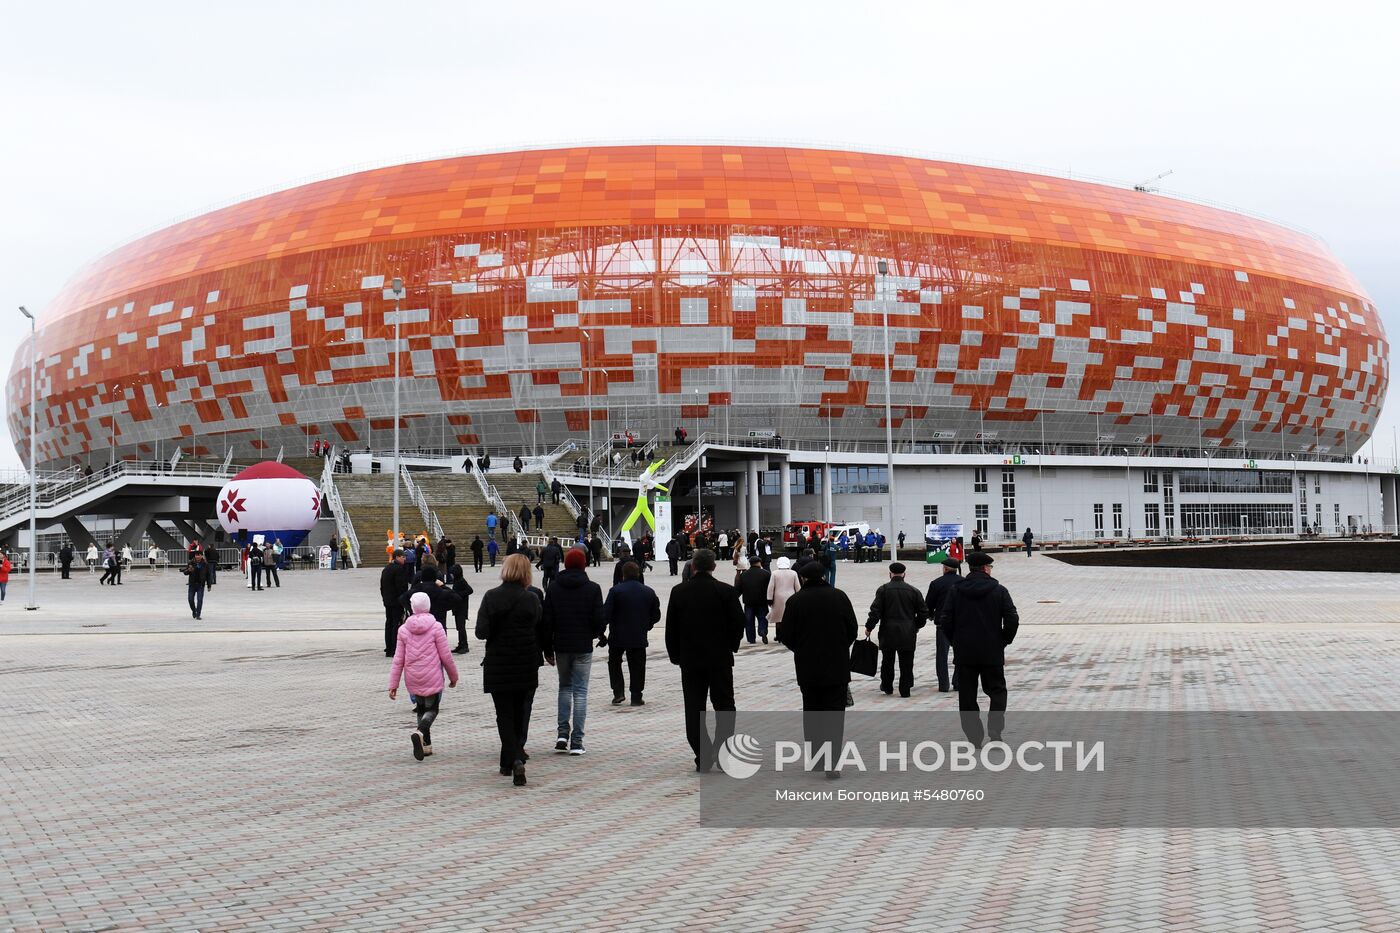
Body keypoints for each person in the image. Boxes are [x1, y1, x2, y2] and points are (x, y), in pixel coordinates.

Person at [665, 549, 744, 772]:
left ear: (692, 567)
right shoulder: (725, 591)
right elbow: (738, 623)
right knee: (725, 706)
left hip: (690, 660)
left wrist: (676, 655)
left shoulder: (679, 592)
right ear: (714, 567)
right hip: (720, 659)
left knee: (694, 707)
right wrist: (730, 646)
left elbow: (671, 628)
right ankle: (721, 750)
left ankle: (703, 754)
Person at [780, 560, 859, 777]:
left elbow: (786, 635)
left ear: (803, 579)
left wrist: (802, 649)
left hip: (808, 668)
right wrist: (841, 646)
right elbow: (852, 628)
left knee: (812, 712)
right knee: (834, 715)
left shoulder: (796, 601)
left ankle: (816, 758)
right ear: (824, 576)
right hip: (837, 667)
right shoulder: (839, 597)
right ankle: (832, 763)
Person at [938, 552, 1020, 745]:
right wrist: (1003, 641)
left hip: (965, 652)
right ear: (985, 568)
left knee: (967, 696)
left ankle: (974, 737)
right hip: (992, 651)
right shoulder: (999, 590)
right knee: (997, 691)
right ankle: (995, 731)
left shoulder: (956, 590)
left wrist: (955, 641)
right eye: (990, 567)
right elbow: (1012, 620)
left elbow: (945, 620)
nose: (991, 570)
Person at [478, 554, 546, 785]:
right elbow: (538, 623)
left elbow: (481, 632)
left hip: (499, 663)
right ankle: (511, 760)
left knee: (503, 715)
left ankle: (514, 759)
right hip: (526, 662)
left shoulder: (491, 597)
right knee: (519, 713)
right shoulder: (532, 598)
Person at [542, 548, 603, 755]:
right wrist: (594, 634)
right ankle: (577, 742)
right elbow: (598, 620)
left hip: (561, 645)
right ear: (584, 564)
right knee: (581, 692)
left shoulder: (553, 588)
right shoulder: (593, 589)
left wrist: (547, 648)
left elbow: (547, 620)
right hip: (583, 645)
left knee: (564, 688)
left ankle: (561, 733)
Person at [388, 591, 460, 762]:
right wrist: (453, 676)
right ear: (428, 606)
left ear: (412, 608)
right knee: (432, 709)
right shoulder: (436, 627)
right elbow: (446, 656)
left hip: (413, 676)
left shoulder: (403, 629)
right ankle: (420, 732)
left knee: (421, 709)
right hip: (432, 675)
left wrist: (393, 684)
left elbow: (398, 659)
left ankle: (425, 745)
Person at [866, 562, 929, 697]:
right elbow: (924, 613)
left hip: (888, 631)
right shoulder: (913, 591)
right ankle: (905, 689)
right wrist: (915, 625)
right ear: (904, 574)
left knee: (887, 660)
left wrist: (869, 627)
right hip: (908, 632)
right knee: (906, 662)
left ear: (890, 574)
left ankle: (887, 686)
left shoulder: (883, 589)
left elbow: (875, 611)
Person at [603, 561, 660, 705]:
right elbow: (656, 615)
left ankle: (618, 692)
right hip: (638, 635)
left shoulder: (615, 591)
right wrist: (647, 625)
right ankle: (636, 695)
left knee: (614, 662)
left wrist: (601, 631)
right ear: (639, 574)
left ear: (623, 575)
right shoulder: (648, 591)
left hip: (617, 635)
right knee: (638, 665)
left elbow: (606, 614)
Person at [925, 558, 962, 693]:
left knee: (942, 655)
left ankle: (943, 685)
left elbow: (928, 604)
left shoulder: (936, 583)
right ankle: (958, 682)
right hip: (961, 624)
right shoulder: (964, 582)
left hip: (942, 624)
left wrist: (930, 615)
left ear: (945, 569)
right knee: (961, 654)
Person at [401, 566, 464, 631]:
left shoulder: (417, 589)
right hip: (437, 623)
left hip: (421, 624)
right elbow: (457, 598)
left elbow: (402, 598)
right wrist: (443, 586)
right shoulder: (440, 591)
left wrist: (412, 610)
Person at [379, 549, 413, 657]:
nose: (405, 559)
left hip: (388, 601)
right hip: (397, 601)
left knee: (388, 623)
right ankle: (394, 648)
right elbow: (401, 587)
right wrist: (404, 600)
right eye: (403, 557)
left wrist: (384, 598)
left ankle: (388, 647)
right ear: (397, 557)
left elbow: (382, 586)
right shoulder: (399, 570)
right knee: (396, 623)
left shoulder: (386, 568)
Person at [738, 554, 772, 645]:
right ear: (759, 563)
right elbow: (770, 588)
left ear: (750, 563)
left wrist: (734, 597)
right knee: (762, 618)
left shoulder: (744, 574)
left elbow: (739, 588)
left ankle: (751, 638)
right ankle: (762, 631)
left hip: (748, 601)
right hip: (762, 601)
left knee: (749, 621)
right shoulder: (766, 574)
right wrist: (771, 599)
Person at [766, 555, 800, 642]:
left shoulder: (774, 573)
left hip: (778, 597)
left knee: (779, 618)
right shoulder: (793, 573)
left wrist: (769, 598)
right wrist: (799, 596)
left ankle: (779, 635)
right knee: (790, 617)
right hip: (791, 596)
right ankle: (789, 634)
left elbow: (771, 587)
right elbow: (797, 587)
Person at [182, 550, 210, 619]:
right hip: (192, 584)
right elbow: (185, 572)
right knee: (190, 599)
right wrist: (189, 570)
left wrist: (209, 585)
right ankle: (194, 611)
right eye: (196, 555)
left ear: (202, 556)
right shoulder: (191, 563)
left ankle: (198, 615)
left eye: (199, 555)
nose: (197, 556)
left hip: (200, 585)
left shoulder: (205, 564)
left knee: (199, 600)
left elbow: (208, 575)